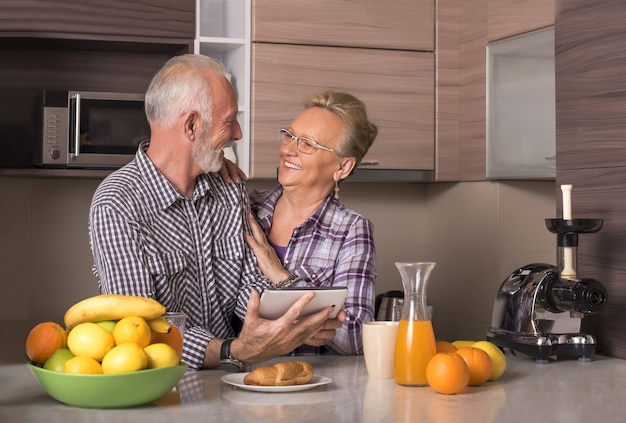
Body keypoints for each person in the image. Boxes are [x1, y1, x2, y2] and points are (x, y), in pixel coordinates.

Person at [88, 54, 344, 371]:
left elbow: (251, 293)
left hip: (235, 383)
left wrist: (296, 319)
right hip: (164, 387)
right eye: (229, 121)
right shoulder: (118, 203)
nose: (237, 133)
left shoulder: (228, 189)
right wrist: (231, 350)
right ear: (192, 125)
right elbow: (137, 330)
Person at [244, 90, 378, 355]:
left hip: (310, 388)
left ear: (343, 167)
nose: (288, 150)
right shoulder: (247, 210)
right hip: (239, 380)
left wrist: (280, 276)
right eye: (289, 136)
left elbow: (356, 337)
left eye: (307, 144)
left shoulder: (351, 230)